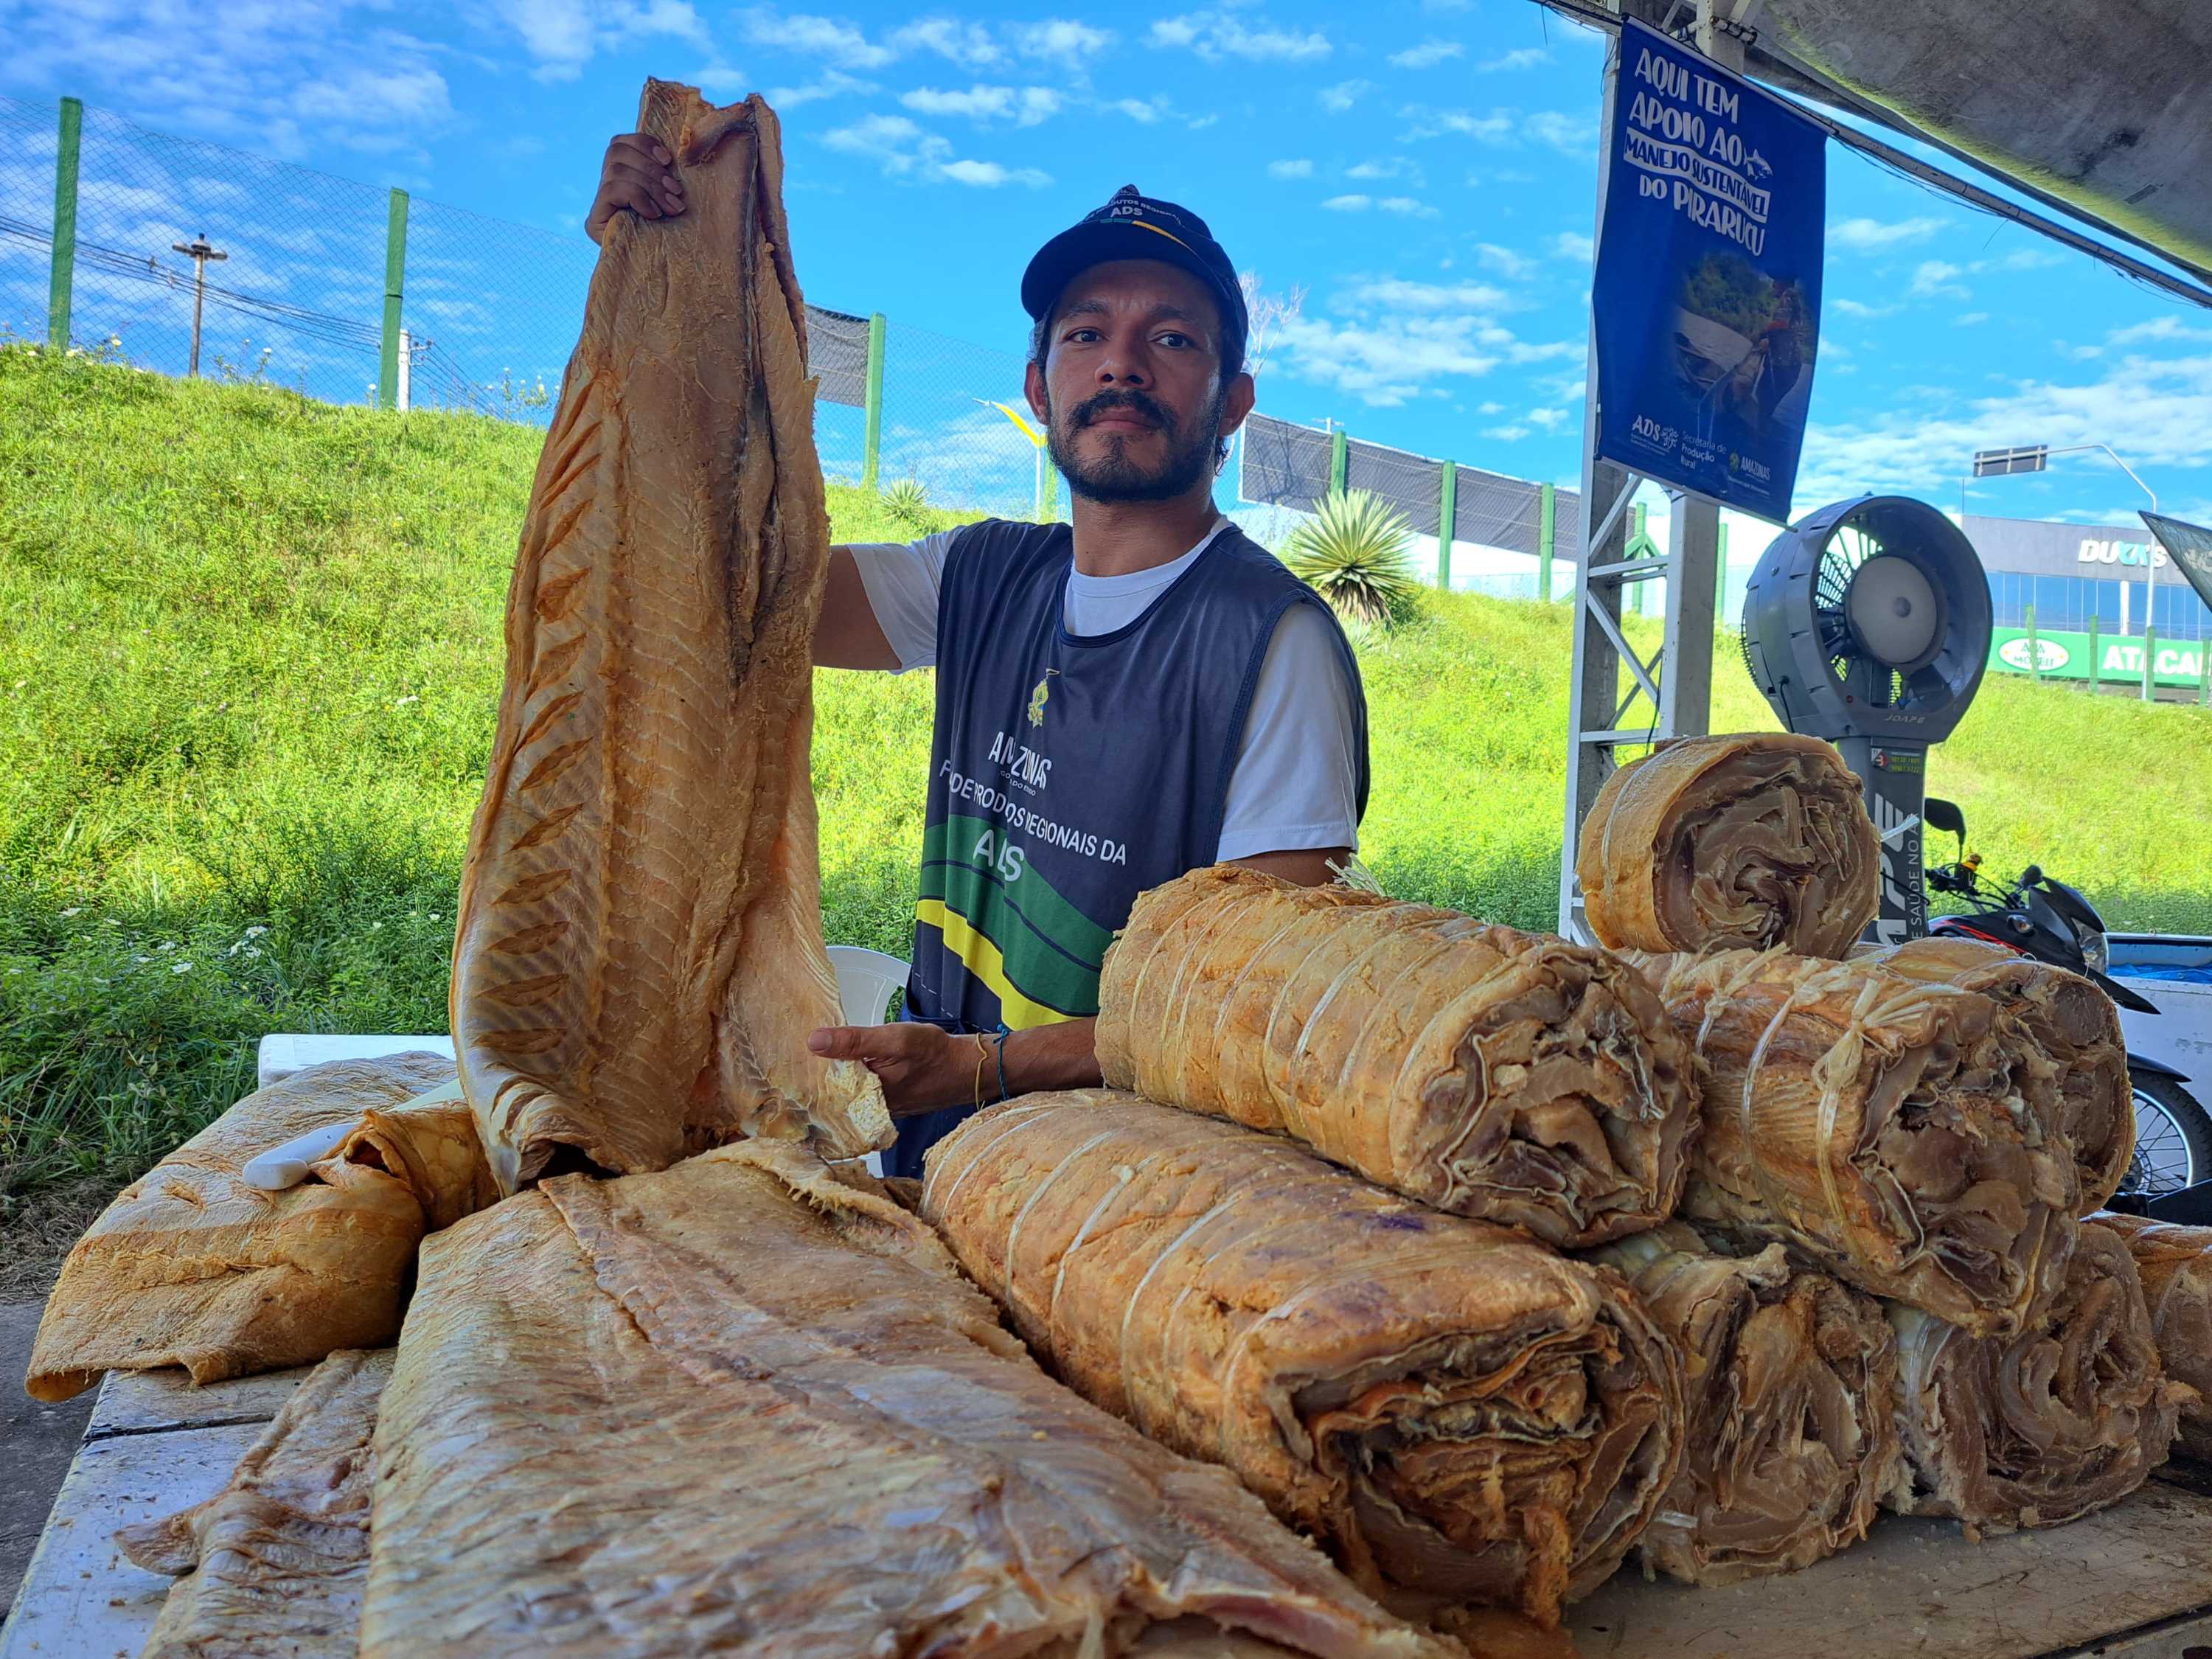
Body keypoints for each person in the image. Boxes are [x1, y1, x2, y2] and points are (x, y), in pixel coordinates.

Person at [590, 143, 1368, 1177]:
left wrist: (981, 1069)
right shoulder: (980, 575)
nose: (1122, 365)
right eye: (1086, 334)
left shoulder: (1276, 644)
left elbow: (1258, 1007)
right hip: (933, 1159)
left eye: (1172, 338)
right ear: (1040, 388)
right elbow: (722, 591)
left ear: (1232, 403)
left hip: (1119, 1202)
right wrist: (651, 283)